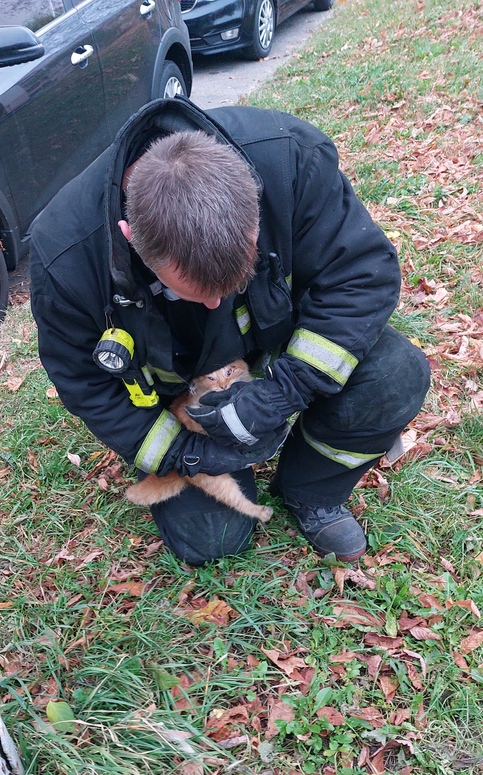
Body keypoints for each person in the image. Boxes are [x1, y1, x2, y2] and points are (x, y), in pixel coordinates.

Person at [29, 98, 430, 565]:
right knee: (213, 541)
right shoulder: (66, 257)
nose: (215, 306)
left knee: (395, 375)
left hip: (274, 344)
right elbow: (85, 382)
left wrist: (285, 390)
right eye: (192, 292)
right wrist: (185, 453)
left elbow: (360, 276)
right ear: (131, 238)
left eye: (232, 285)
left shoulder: (289, 160)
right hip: (178, 401)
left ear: (256, 210)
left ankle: (310, 490)